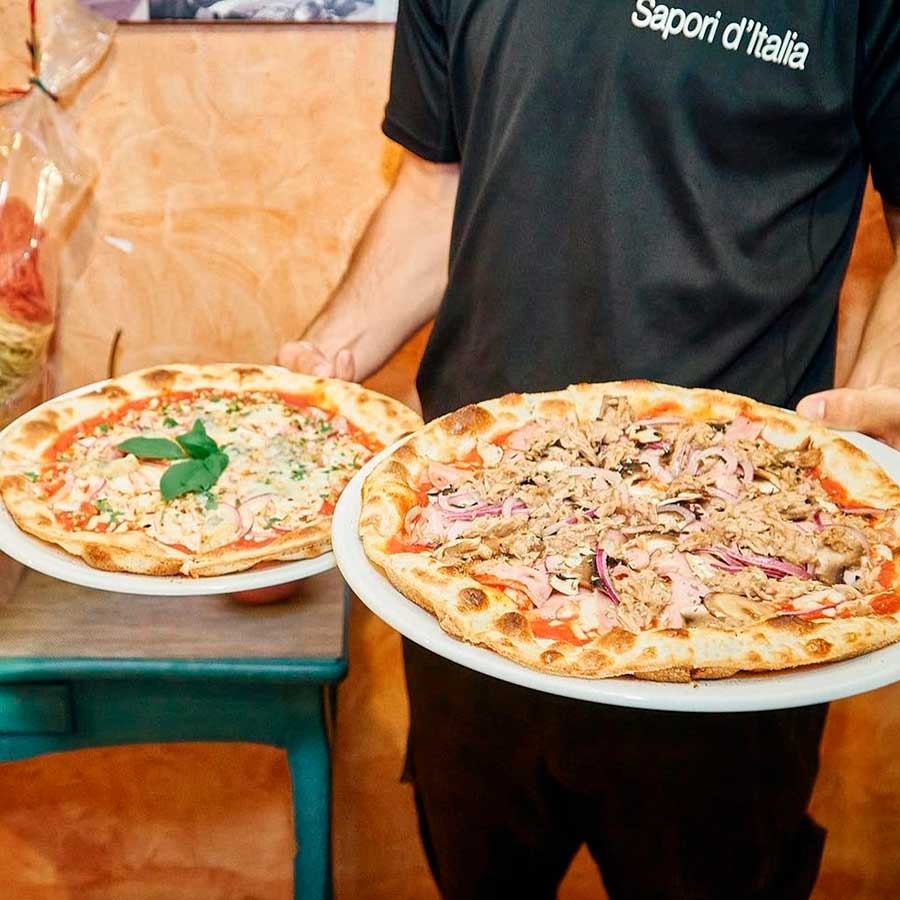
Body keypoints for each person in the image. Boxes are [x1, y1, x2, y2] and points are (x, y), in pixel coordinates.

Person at [279, 3, 900, 897]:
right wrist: (311, 389)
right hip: (472, 557)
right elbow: (437, 187)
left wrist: (867, 449)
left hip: (740, 597)